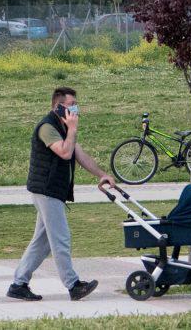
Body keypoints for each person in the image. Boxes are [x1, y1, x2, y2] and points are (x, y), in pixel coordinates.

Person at [7, 87, 116, 302]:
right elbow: (65, 152)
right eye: (71, 104)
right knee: (61, 239)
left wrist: (102, 175)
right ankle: (73, 285)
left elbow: (79, 154)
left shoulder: (62, 127)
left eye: (76, 104)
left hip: (52, 191)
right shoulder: (47, 127)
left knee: (43, 242)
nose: (76, 109)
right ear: (58, 106)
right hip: (46, 191)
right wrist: (73, 129)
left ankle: (18, 284)